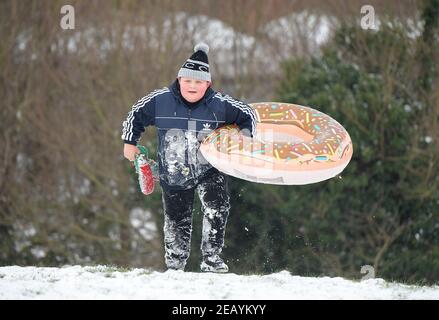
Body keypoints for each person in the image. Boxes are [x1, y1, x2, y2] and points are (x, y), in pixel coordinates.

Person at [121, 42, 256, 273]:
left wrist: (245, 135)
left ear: (208, 84)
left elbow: (248, 114)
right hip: (174, 170)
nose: (192, 85)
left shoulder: (220, 104)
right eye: (188, 80)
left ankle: (212, 258)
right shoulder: (160, 100)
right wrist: (130, 142)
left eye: (198, 82)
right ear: (179, 80)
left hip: (210, 168)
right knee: (176, 219)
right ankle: (175, 265)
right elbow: (135, 114)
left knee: (217, 208)